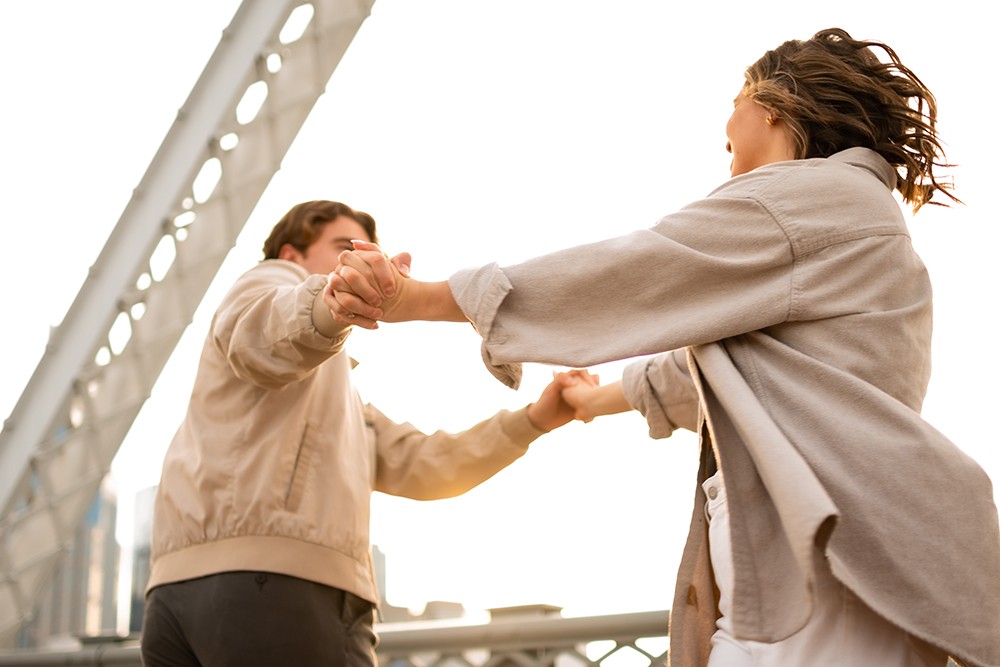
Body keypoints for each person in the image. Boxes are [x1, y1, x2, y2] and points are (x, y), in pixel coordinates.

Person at [326, 29, 1000, 667]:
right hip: (849, 555)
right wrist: (590, 401)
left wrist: (423, 298)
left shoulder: (805, 200)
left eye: (734, 111)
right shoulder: (855, 226)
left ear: (769, 108)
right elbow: (706, 371)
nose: (726, 140)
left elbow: (639, 268)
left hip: (816, 566)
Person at [140, 200, 584, 667]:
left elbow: (430, 465)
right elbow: (262, 331)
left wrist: (534, 419)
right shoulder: (269, 281)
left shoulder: (339, 405)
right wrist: (330, 305)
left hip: (177, 596)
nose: (356, 261)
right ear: (291, 256)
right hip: (281, 586)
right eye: (343, 248)